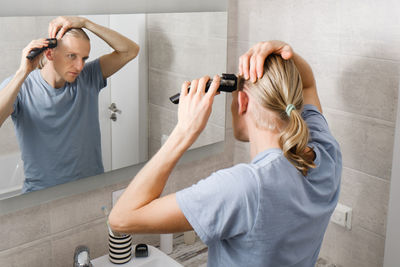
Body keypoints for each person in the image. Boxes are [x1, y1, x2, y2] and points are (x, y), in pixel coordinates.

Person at [109, 40, 342, 267]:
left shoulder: (244, 187)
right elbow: (309, 84)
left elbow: (120, 218)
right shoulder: (326, 153)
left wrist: (184, 132)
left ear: (242, 101)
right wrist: (284, 51)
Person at [0, 16, 139, 193]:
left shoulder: (88, 77)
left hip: (92, 189)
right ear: (49, 54)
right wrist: (22, 72)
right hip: (42, 195)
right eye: (71, 56)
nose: (80, 66)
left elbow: (130, 50)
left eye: (84, 58)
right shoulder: (21, 86)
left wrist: (86, 23)